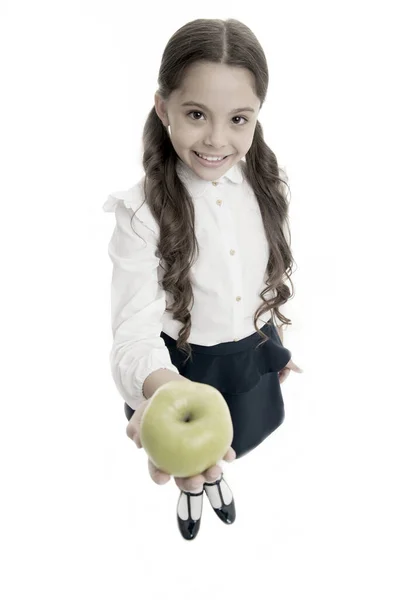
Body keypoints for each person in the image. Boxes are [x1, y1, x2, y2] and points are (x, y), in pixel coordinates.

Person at [103, 17, 303, 541]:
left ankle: (217, 487)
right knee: (192, 459)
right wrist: (163, 392)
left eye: (239, 118)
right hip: (183, 368)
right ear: (162, 106)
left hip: (248, 356)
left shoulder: (268, 184)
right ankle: (195, 495)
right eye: (196, 114)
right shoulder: (141, 212)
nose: (217, 139)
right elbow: (134, 331)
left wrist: (272, 342)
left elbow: (251, 277)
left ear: (258, 114)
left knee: (233, 441)